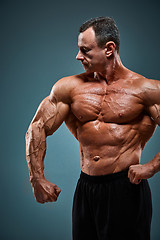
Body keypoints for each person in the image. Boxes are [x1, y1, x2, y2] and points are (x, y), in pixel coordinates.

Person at [25, 17, 160, 240]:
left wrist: (153, 167)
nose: (78, 56)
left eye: (85, 50)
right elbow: (37, 127)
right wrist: (36, 179)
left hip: (125, 189)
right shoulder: (69, 88)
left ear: (109, 49)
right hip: (86, 188)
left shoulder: (146, 90)